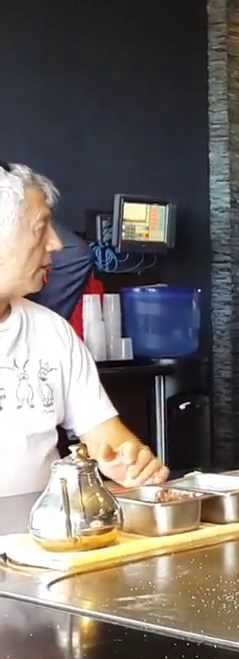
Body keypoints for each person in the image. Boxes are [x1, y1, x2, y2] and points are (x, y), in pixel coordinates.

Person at [0, 161, 167, 497]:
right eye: (41, 228)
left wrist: (131, 463)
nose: (55, 244)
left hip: (43, 528)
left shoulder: (51, 332)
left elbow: (106, 438)